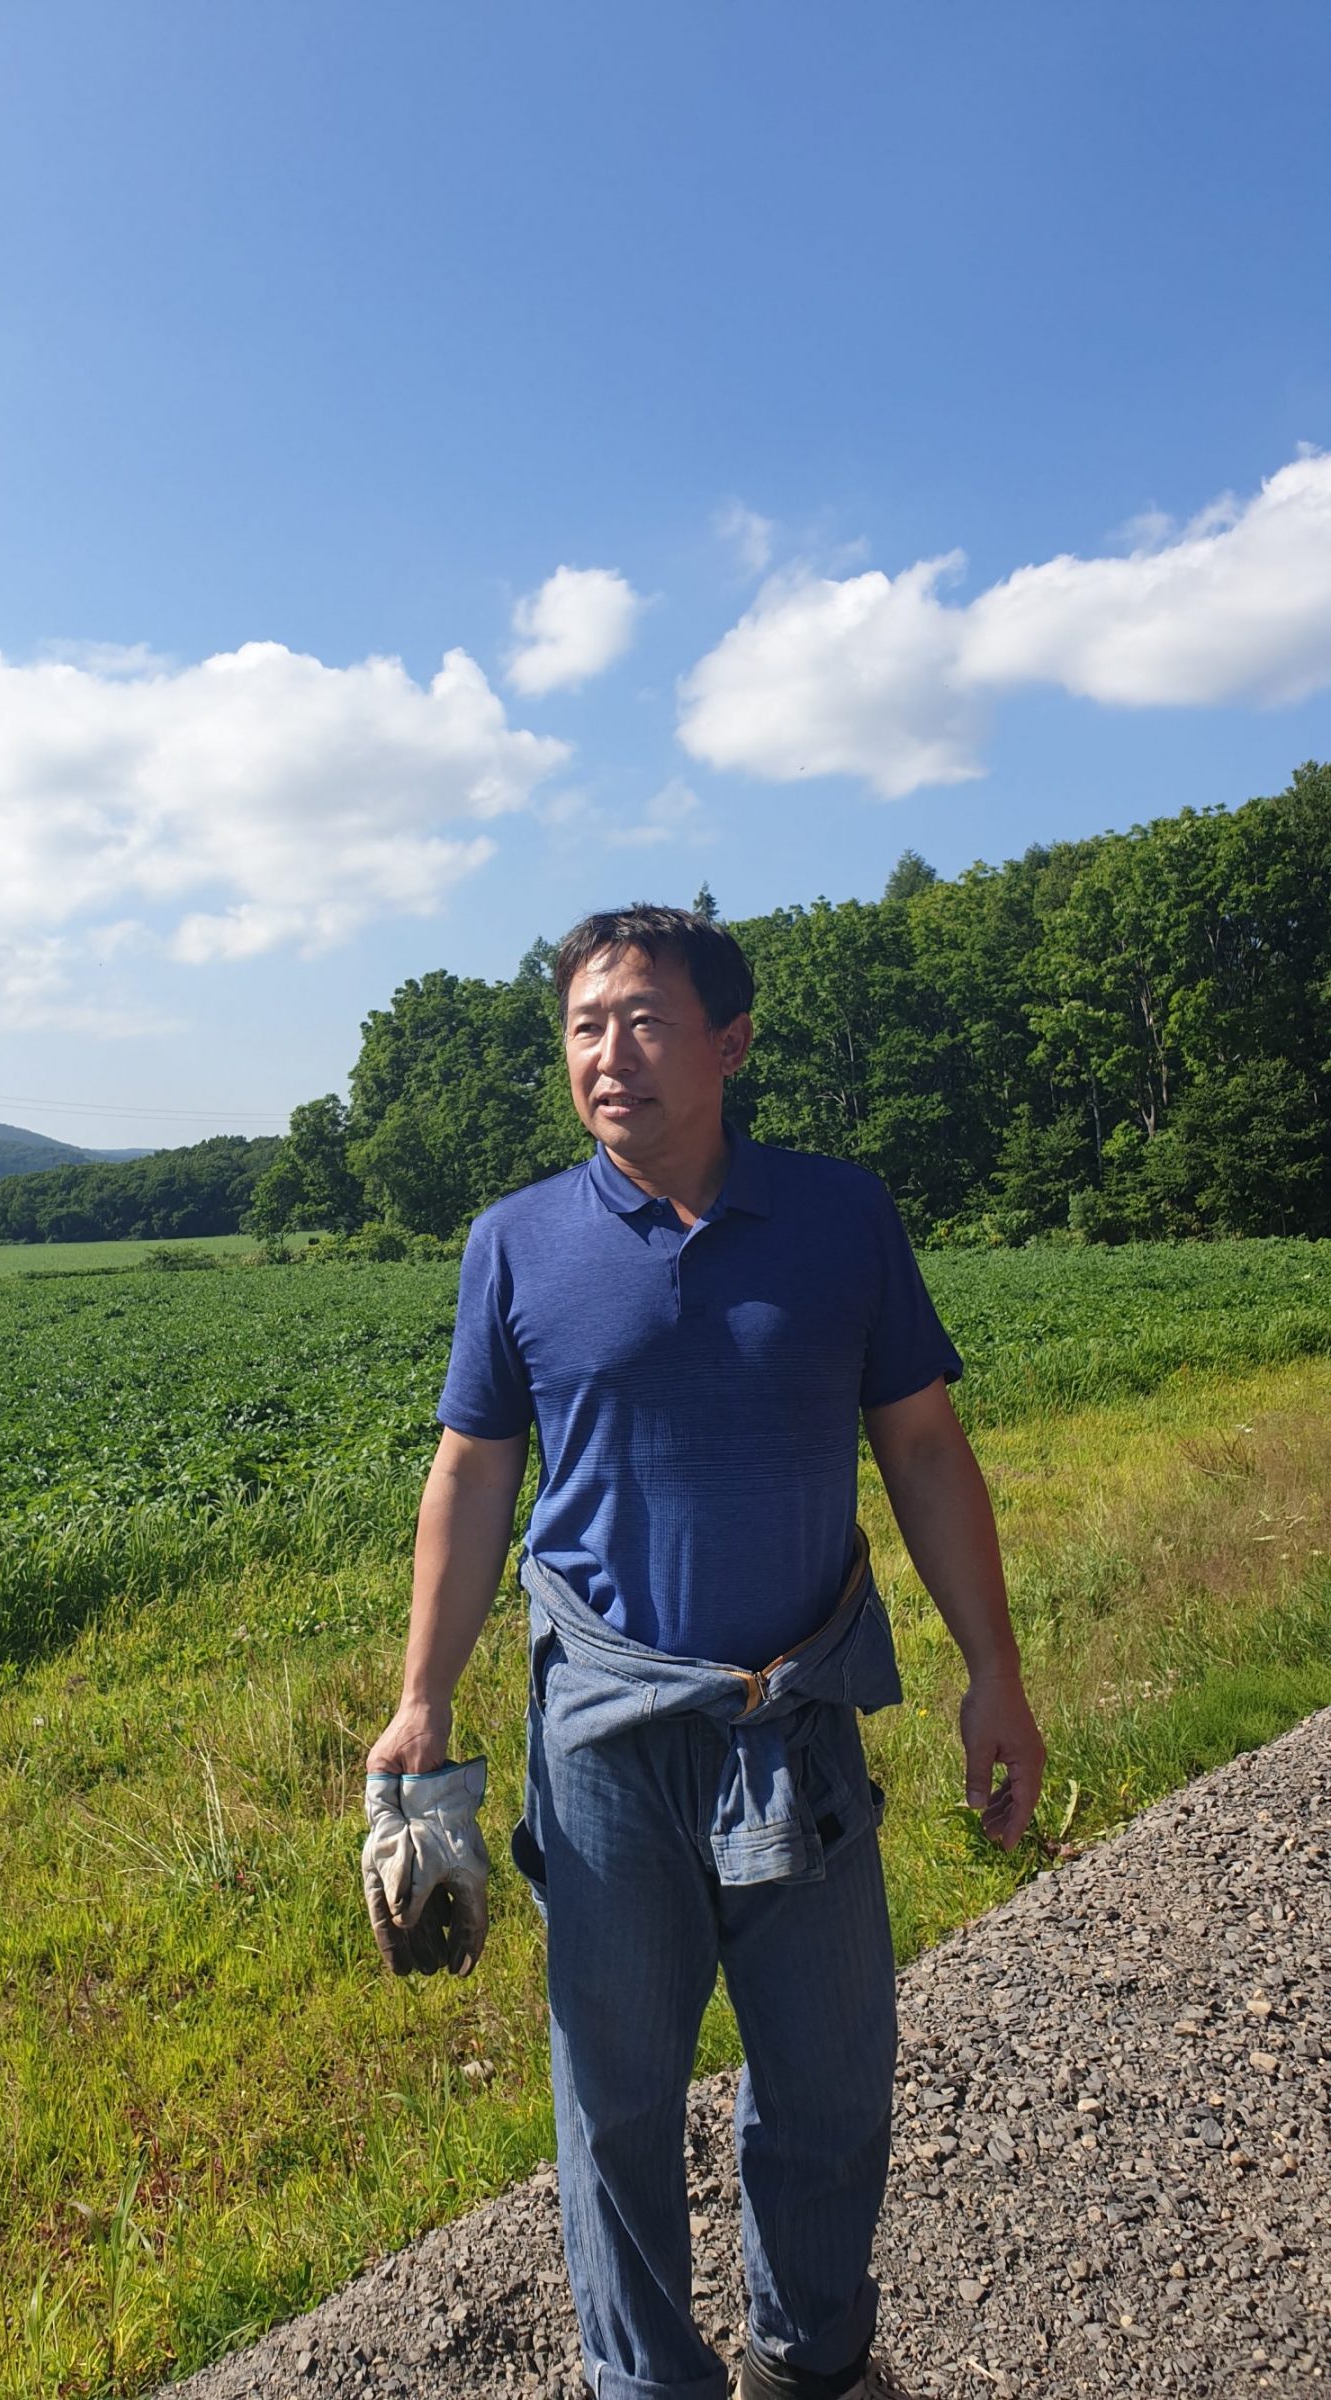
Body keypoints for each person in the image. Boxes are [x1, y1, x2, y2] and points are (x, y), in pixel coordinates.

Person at [364, 904, 1045, 2400]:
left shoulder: (837, 1218)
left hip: (796, 1724)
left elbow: (924, 1447)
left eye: (647, 1021)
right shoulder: (517, 1242)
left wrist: (992, 1671)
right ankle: (648, 2384)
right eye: (586, 1027)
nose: (611, 1056)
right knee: (613, 2106)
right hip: (603, 1743)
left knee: (829, 2086)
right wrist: (422, 1699)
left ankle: (811, 2363)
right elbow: (473, 1476)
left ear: (729, 1044)